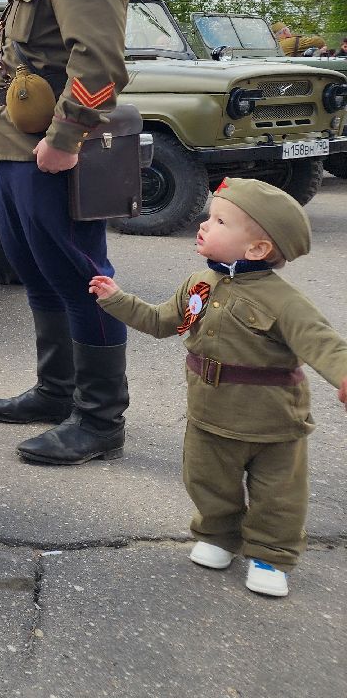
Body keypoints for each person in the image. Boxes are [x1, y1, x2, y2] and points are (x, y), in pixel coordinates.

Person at [89, 179, 347, 598]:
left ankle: (270, 555)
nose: (204, 225)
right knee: (208, 481)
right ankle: (219, 536)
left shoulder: (284, 301)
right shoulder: (200, 284)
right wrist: (117, 299)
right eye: (209, 217)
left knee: (278, 495)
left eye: (220, 221)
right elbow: (161, 322)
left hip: (273, 424)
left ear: (258, 249)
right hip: (209, 414)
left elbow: (324, 344)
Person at [0, 0, 131, 465]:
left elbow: (100, 62)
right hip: (18, 145)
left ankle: (99, 420)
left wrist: (67, 137)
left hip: (51, 151)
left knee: (80, 276)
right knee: (40, 272)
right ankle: (56, 391)